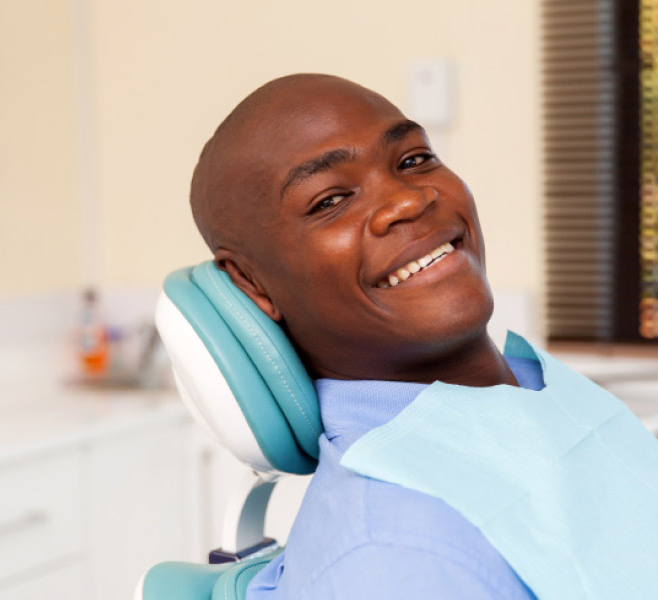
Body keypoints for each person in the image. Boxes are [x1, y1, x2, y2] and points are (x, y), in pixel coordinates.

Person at [190, 73, 539, 598]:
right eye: (329, 200)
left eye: (414, 159)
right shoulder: (394, 556)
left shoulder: (537, 387)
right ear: (251, 282)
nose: (408, 200)